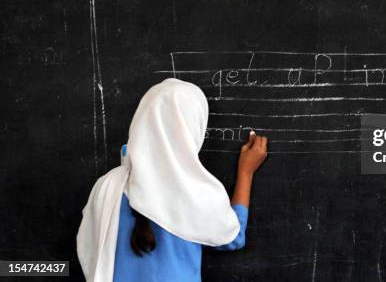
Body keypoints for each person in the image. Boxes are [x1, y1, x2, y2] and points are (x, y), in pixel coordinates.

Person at [76, 78, 267, 281]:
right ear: (193, 128)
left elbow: (89, 251)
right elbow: (233, 238)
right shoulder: (196, 193)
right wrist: (246, 173)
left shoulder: (108, 187)